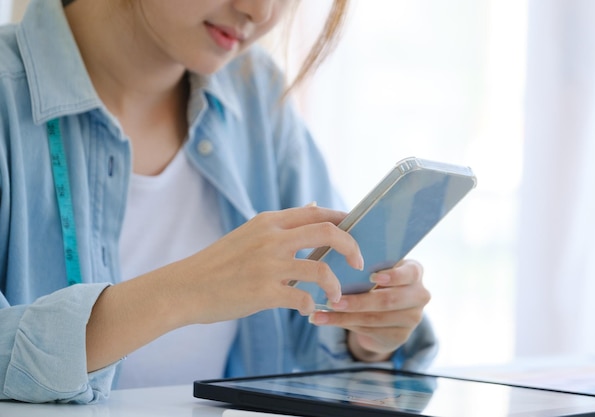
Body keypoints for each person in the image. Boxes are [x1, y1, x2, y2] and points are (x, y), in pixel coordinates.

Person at [0, 0, 437, 404]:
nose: (259, 10)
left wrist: (368, 333)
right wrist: (184, 292)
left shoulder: (256, 93)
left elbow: (313, 324)